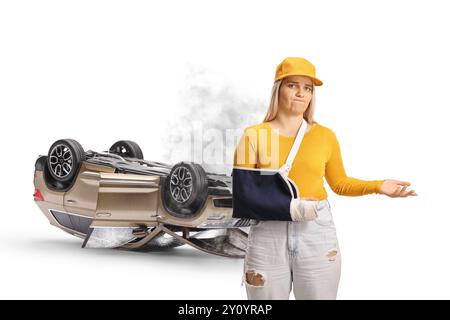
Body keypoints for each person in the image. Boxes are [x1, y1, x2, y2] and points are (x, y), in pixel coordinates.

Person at [233, 57, 418, 300]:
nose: (301, 93)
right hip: (269, 235)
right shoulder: (253, 135)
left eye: (307, 88)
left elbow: (339, 183)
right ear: (278, 89)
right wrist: (293, 207)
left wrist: (378, 186)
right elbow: (244, 196)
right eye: (293, 85)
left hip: (316, 233)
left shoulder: (324, 136)